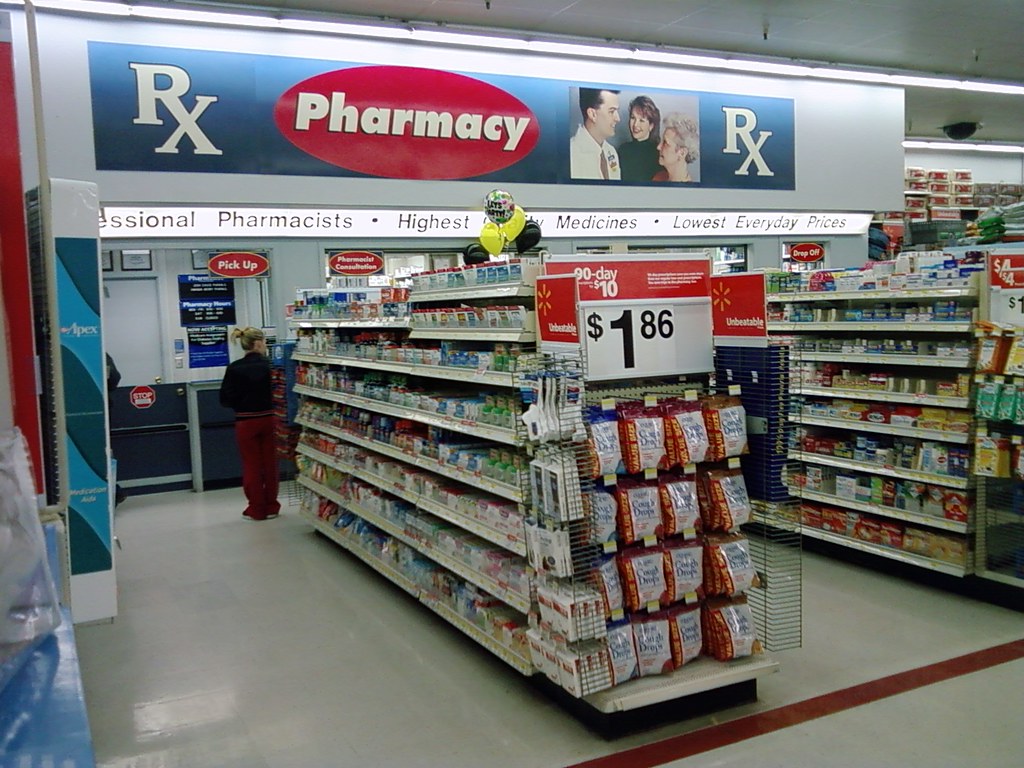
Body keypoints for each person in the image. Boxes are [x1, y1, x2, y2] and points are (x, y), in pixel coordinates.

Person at [219, 327, 280, 521]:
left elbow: (225, 398)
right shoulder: (271, 365)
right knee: (270, 463)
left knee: (251, 465)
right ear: (259, 343)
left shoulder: (234, 368)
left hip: (246, 421)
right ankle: (272, 506)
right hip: (271, 418)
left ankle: (256, 508)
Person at [569, 87, 621, 180]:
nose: (618, 118)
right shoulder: (571, 155)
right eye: (612, 111)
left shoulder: (611, 152)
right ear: (592, 114)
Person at [618, 95, 662, 183]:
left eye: (641, 120)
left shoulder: (659, 153)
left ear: (651, 125)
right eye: (633, 118)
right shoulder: (623, 150)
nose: (635, 125)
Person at [652, 113, 701, 183]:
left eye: (665, 143)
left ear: (682, 153)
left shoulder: (689, 191)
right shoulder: (659, 178)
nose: (658, 147)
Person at [106, 353, 127, 505]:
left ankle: (113, 490)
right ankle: (113, 490)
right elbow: (114, 378)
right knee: (103, 450)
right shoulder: (100, 353)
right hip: (101, 408)